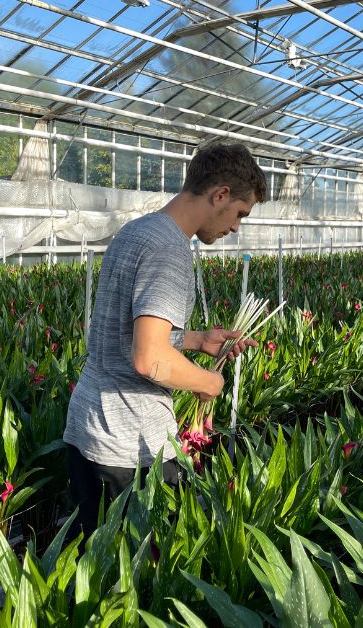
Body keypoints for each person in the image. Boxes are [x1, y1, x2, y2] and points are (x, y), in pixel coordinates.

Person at [63, 142, 268, 541]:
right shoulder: (170, 250)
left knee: (95, 567)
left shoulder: (139, 231)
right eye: (240, 214)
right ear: (220, 195)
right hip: (129, 446)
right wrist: (211, 383)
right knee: (138, 580)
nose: (236, 227)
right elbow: (150, 359)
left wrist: (196, 340)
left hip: (90, 426)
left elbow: (125, 329)